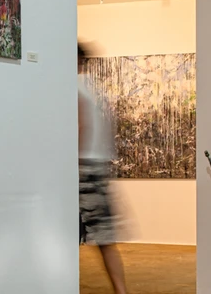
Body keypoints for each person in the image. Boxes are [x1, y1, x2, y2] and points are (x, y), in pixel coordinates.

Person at [78, 42, 128, 294]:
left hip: (82, 170)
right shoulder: (95, 89)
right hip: (97, 168)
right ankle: (121, 291)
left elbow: (81, 128)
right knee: (105, 240)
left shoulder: (74, 87)